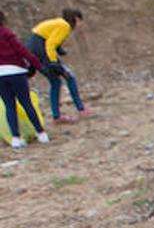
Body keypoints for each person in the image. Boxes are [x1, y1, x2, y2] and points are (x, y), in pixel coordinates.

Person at [27, 8, 92, 125]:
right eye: (80, 21)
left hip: (34, 51)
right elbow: (50, 44)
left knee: (55, 82)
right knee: (69, 77)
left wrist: (60, 50)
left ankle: (57, 116)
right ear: (76, 19)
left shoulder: (58, 22)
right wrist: (54, 62)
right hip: (43, 53)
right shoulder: (65, 26)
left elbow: (49, 38)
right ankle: (80, 109)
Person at [0, 10, 48, 148]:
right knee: (26, 103)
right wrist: (38, 65)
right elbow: (22, 50)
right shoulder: (6, 33)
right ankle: (41, 134)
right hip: (16, 71)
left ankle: (16, 139)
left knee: (9, 106)